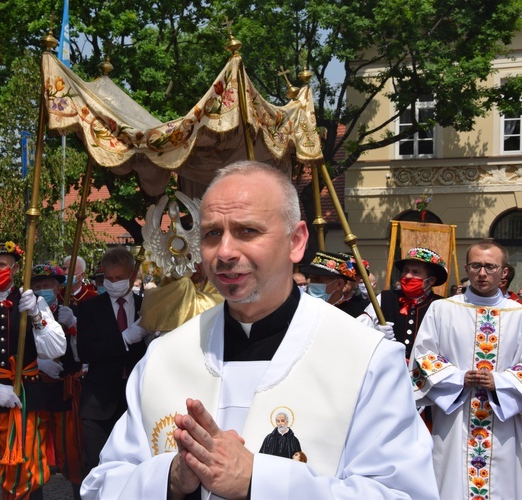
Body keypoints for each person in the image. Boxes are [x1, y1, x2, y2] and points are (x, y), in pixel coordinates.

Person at [82, 161, 438, 499]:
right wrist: (172, 478)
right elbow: (102, 484)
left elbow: (401, 492)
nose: (224, 252)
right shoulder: (164, 357)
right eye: (211, 234)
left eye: (246, 231)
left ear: (296, 241)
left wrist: (258, 482)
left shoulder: (364, 358)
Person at [411, 240, 522, 499]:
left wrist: (501, 381)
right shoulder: (443, 309)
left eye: (490, 267)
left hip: (504, 426)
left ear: (504, 272)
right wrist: (459, 377)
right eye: (476, 266)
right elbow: (422, 360)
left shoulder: (519, 315)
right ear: (466, 268)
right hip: (455, 420)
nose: (482, 273)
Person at [0, 241, 66, 500]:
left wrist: (37, 316)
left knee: (20, 472)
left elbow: (56, 348)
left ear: (15, 268)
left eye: (2, 264)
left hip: (23, 396)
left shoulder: (34, 302)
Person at [76, 247, 150, 478]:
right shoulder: (89, 308)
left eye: (119, 278)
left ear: (131, 276)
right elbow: (86, 351)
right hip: (98, 401)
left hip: (135, 399)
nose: (113, 283)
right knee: (95, 466)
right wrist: (125, 338)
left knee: (134, 467)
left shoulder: (147, 306)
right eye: (109, 278)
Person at [30, 262, 85, 498]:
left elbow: (85, 352)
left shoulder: (73, 311)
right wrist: (38, 363)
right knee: (32, 455)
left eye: (47, 285)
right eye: (37, 286)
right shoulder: (24, 315)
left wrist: (75, 325)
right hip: (35, 391)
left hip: (65, 392)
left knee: (73, 455)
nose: (42, 289)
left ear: (57, 287)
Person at [358, 247, 446, 358]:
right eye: (406, 270)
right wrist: (375, 334)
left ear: (431, 280)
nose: (408, 276)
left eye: (415, 272)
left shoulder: (441, 305)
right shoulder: (385, 298)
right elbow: (359, 329)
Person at [300, 250, 367, 317]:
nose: (312, 283)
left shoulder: (358, 318)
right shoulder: (301, 309)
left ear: (338, 284)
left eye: (318, 279)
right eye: (311, 279)